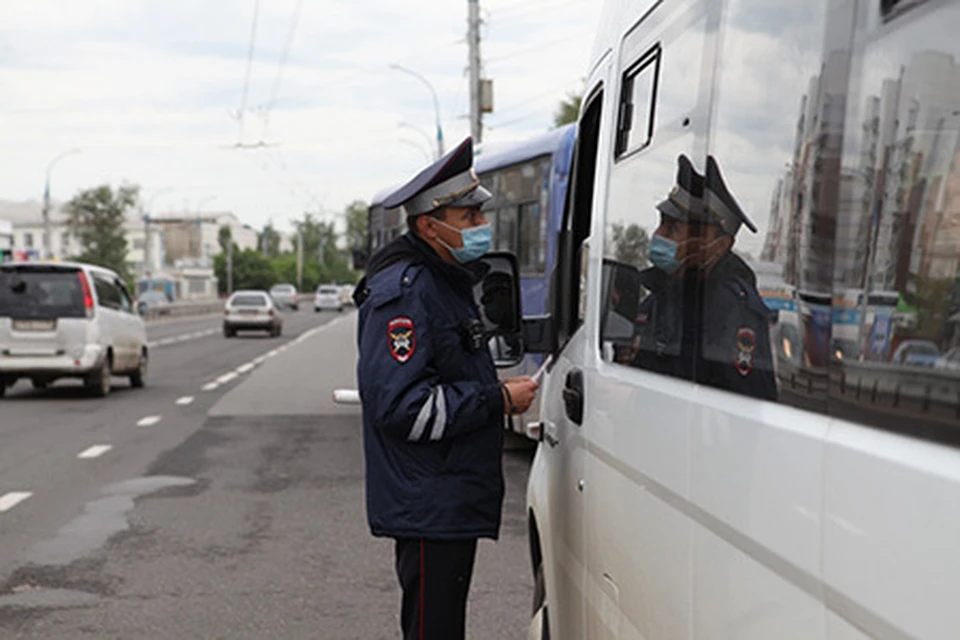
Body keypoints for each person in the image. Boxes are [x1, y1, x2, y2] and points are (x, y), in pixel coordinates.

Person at [353, 137, 540, 640]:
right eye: (468, 218)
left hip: (445, 494)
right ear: (428, 226)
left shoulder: (444, 280)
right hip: (428, 500)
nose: (482, 227)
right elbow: (402, 407)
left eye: (481, 216)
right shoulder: (406, 292)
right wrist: (497, 400)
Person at [631, 154, 778, 401]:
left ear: (719, 246)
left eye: (673, 228)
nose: (658, 234)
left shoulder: (732, 308)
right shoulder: (661, 296)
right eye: (661, 224)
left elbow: (742, 408)